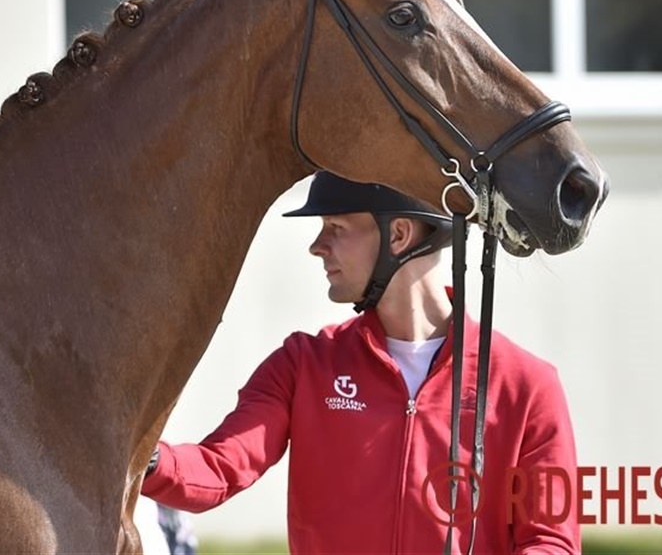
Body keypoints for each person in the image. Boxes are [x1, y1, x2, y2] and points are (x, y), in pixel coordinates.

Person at [142, 172, 579, 554]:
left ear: (399, 235)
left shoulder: (527, 386)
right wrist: (141, 458)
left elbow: (551, 541)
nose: (317, 247)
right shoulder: (301, 364)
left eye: (335, 227)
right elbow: (219, 468)